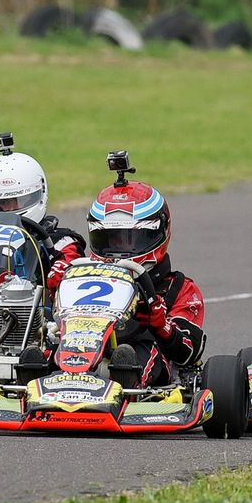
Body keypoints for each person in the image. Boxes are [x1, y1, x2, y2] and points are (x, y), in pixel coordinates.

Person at [85, 153, 205, 386]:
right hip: (85, 346)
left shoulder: (178, 288)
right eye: (111, 240)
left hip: (146, 358)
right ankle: (35, 375)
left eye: (129, 240)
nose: (119, 249)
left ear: (155, 234)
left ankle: (123, 382)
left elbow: (190, 352)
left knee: (132, 354)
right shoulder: (84, 276)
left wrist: (162, 325)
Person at [0, 133, 83, 292]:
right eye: (2, 203)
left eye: (18, 201)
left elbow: (72, 281)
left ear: (40, 192)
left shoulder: (61, 244)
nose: (9, 210)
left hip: (37, 312)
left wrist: (58, 270)